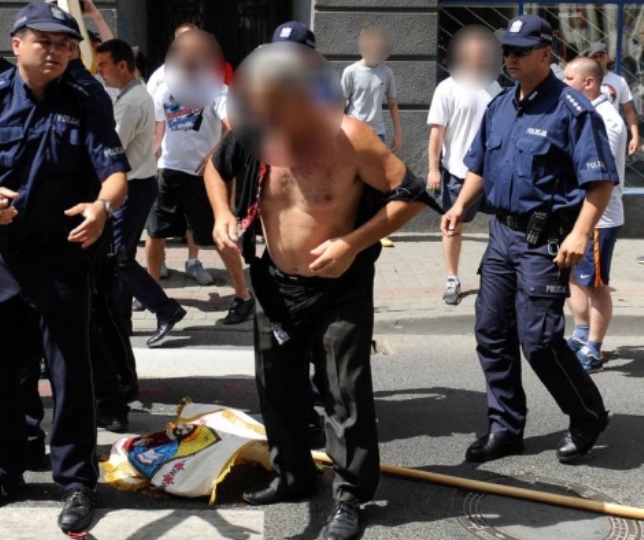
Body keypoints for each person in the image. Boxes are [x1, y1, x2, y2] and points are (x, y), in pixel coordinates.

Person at [206, 42, 441, 540]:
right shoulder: (255, 133)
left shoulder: (349, 137)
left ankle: (351, 496)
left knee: (343, 394)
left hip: (340, 287)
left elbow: (413, 195)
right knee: (277, 387)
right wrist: (222, 215)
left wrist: (352, 243)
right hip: (275, 285)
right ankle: (293, 475)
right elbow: (214, 168)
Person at [442, 15, 617, 465]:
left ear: (545, 54)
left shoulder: (572, 110)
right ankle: (505, 428)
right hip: (501, 236)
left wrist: (581, 233)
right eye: (507, 51)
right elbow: (479, 166)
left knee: (539, 341)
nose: (511, 58)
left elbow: (600, 184)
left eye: (521, 51)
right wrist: (460, 206)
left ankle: (587, 414)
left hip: (545, 240)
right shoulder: (500, 105)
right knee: (492, 332)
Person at [0, 2, 129, 534]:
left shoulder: (84, 97)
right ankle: (8, 468)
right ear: (17, 44)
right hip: (5, 257)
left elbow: (114, 172)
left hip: (63, 254)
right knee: (7, 369)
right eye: (45, 41)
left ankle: (76, 480)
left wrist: (102, 207)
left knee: (70, 370)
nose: (56, 51)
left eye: (65, 44)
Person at [148, 29, 256, 323]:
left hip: (202, 177)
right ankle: (150, 293)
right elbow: (157, 128)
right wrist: (150, 156)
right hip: (167, 170)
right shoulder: (163, 84)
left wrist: (213, 155)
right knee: (155, 234)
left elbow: (232, 127)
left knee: (218, 238)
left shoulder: (217, 89)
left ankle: (243, 296)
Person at [96, 38, 187, 347]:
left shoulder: (132, 101)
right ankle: (122, 322)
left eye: (104, 65)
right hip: (136, 186)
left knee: (119, 258)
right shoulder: (134, 94)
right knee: (120, 256)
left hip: (132, 189)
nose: (100, 72)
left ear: (122, 66)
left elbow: (111, 150)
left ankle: (166, 310)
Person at [426, 26, 502, 305]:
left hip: (493, 174)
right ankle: (452, 278)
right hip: (458, 173)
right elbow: (437, 133)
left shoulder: (494, 87)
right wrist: (434, 169)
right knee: (453, 225)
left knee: (504, 226)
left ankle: (496, 276)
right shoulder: (447, 88)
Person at [563, 57, 627, 374]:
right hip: (577, 216)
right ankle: (581, 333)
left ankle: (595, 349)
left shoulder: (606, 120)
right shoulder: (584, 113)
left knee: (595, 285)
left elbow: (600, 176)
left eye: (568, 79)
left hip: (599, 219)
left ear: (588, 82)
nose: (563, 84)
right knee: (573, 277)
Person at [342, 25, 402, 249]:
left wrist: (398, 133)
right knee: (350, 182)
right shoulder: (350, 72)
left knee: (378, 184)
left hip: (378, 134)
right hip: (353, 135)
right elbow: (341, 104)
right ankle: (348, 227)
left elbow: (392, 103)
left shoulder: (386, 72)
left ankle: (377, 231)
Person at [588, 41, 640, 156]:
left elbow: (629, 110)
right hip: (590, 131)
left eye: (601, 55)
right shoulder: (584, 81)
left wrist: (635, 137)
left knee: (616, 166)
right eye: (595, 56)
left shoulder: (619, 81)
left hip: (614, 131)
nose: (598, 59)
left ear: (608, 58)